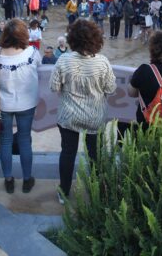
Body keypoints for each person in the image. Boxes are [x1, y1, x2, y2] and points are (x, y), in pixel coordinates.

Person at [49, 19, 116, 204]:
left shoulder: (63, 60)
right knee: (95, 155)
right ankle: (96, 191)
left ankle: (64, 192)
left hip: (69, 116)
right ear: (96, 39)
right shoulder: (103, 62)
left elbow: (54, 87)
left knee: (68, 152)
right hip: (95, 116)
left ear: (72, 39)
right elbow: (111, 88)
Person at [0, 19, 41, 194]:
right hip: (27, 103)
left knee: (5, 141)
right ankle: (27, 180)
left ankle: (8, 179)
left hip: (3, 104)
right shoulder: (32, 53)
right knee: (25, 140)